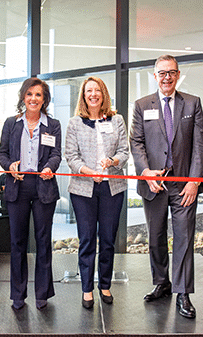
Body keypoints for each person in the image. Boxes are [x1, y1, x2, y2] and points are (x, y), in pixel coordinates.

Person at [129, 55, 203, 319]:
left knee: (184, 238)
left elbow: (199, 146)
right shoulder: (141, 105)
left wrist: (195, 181)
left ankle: (183, 292)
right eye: (162, 73)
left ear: (178, 74)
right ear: (155, 76)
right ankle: (162, 282)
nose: (167, 77)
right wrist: (145, 171)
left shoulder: (192, 103)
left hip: (184, 184)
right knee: (156, 237)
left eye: (171, 72)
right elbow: (136, 142)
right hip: (154, 183)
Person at [0, 78, 61, 310]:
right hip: (17, 187)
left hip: (43, 186)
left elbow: (56, 154)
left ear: (44, 100)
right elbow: (2, 153)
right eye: (30, 94)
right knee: (17, 242)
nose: (34, 99)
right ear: (23, 97)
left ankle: (42, 293)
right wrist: (9, 166)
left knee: (43, 241)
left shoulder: (53, 124)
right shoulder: (11, 123)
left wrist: (49, 168)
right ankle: (18, 294)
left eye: (38, 95)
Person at [64, 77, 129, 309]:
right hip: (83, 188)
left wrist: (112, 161)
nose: (93, 94)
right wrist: (89, 171)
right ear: (83, 95)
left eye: (97, 90)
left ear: (104, 94)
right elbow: (70, 156)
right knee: (87, 239)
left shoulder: (117, 119)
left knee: (109, 240)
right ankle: (86, 289)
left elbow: (124, 151)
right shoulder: (74, 123)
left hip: (113, 187)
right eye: (89, 90)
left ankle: (104, 285)